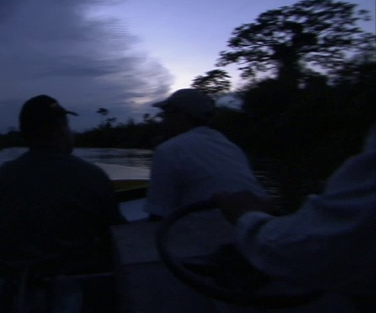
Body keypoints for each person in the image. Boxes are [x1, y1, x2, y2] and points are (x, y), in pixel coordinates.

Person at [214, 123, 376, 309]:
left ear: (182, 116)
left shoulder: (177, 149)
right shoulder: (228, 145)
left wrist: (248, 219)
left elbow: (328, 248)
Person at [0, 95, 126, 281]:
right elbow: (117, 236)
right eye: (68, 126)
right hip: (76, 285)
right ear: (61, 131)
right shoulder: (92, 175)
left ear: (25, 134)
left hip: (9, 284)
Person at [145, 88, 265, 219]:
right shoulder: (229, 145)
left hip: (211, 232)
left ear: (181, 115)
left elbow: (158, 215)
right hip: (259, 224)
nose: (163, 120)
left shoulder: (167, 150)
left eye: (166, 114)